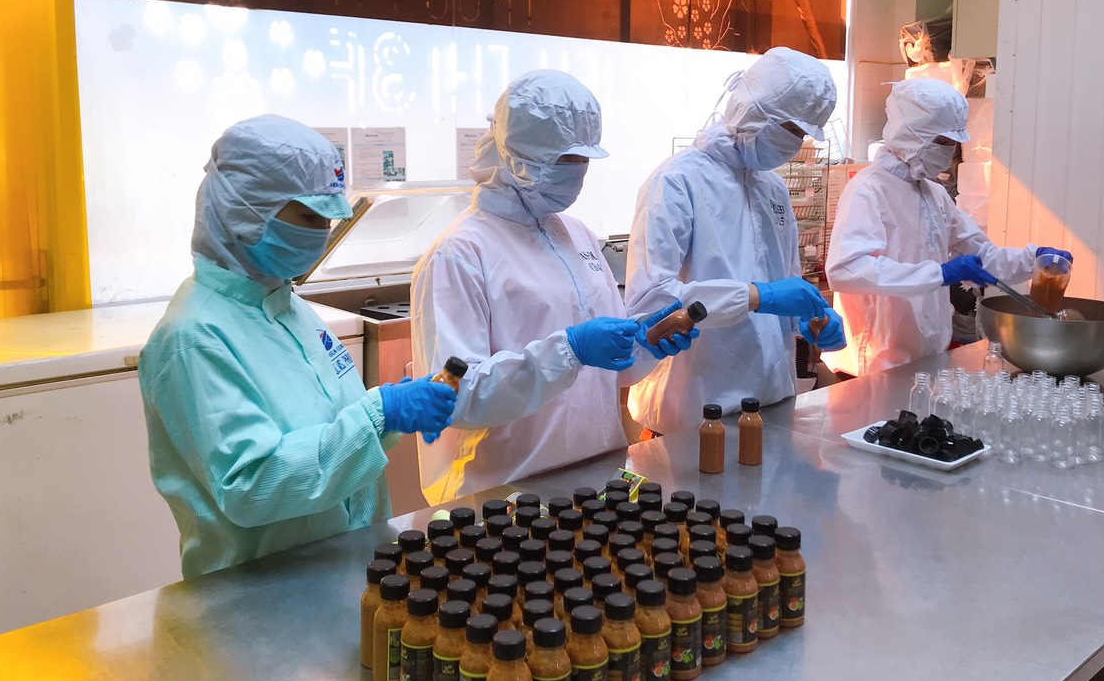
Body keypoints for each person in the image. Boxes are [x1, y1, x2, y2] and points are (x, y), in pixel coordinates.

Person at [140, 116, 456, 578]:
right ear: (246, 210)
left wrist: (392, 413)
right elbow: (252, 485)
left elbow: (329, 429)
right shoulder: (192, 338)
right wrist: (380, 413)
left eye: (328, 218)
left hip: (342, 566)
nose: (322, 232)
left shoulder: (289, 306)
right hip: (260, 594)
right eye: (309, 217)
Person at [410, 70, 695, 502]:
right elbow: (456, 396)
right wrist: (571, 349)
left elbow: (610, 373)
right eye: (565, 159)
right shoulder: (459, 254)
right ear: (517, 155)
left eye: (584, 159)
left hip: (595, 479)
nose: (577, 172)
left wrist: (644, 347)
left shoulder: (576, 234)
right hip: (504, 496)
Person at [623, 47, 848, 435]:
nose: (795, 144)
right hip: (690, 419)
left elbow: (785, 283)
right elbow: (652, 305)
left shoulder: (773, 188)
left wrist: (809, 319)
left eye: (803, 135)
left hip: (770, 409)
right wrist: (758, 297)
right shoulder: (676, 182)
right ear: (754, 111)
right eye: (790, 130)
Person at [822, 78, 1072, 377]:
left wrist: (1035, 260)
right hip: (873, 367)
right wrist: (939, 273)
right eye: (941, 142)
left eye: (952, 143)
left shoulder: (934, 194)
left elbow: (984, 255)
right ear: (911, 136)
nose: (948, 151)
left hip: (926, 360)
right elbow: (846, 270)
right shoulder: (868, 190)